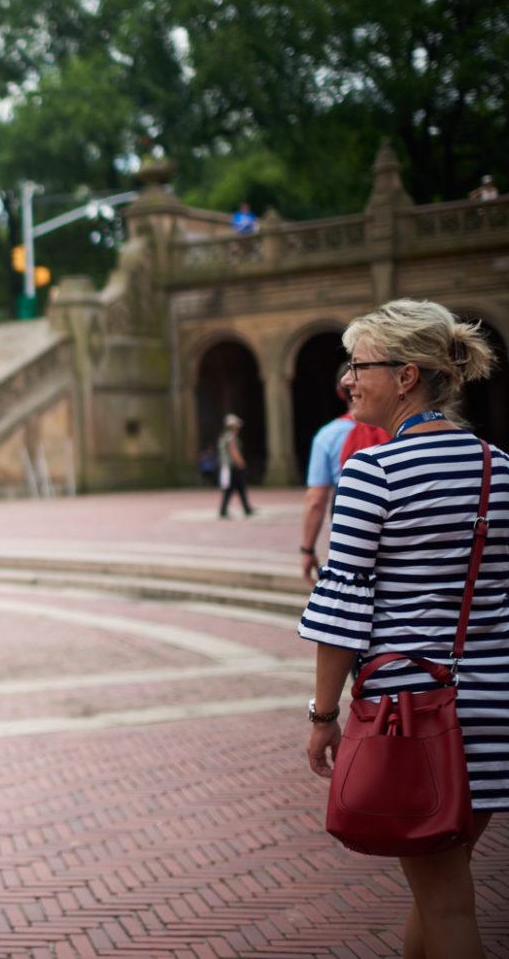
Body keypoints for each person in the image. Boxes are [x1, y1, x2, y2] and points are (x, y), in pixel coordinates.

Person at [299, 299, 505, 957]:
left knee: (446, 902)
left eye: (358, 366)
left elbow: (342, 609)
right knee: (441, 885)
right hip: (495, 707)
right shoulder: (498, 469)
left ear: (407, 376)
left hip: (415, 715)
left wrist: (322, 713)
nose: (347, 381)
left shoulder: (372, 472)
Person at [297, 384, 389, 584]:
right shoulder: (395, 428)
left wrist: (307, 549)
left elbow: (316, 500)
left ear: (340, 393)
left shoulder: (328, 435)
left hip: (349, 521)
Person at [216, 413, 255, 518]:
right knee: (231, 489)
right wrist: (241, 462)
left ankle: (246, 508)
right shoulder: (231, 436)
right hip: (232, 467)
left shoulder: (224, 436)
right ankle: (224, 510)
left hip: (229, 466)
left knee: (239, 488)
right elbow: (233, 450)